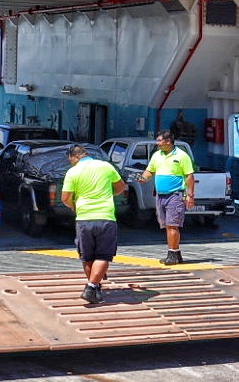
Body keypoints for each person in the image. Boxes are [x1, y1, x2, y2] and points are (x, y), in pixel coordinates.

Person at [61, 144, 126, 305]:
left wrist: (72, 205)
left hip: (84, 218)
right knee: (104, 255)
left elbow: (65, 198)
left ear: (73, 157)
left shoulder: (72, 172)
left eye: (70, 159)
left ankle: (93, 288)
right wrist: (108, 195)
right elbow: (120, 187)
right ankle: (92, 287)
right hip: (106, 216)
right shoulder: (105, 166)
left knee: (87, 256)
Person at [137, 129, 195, 265]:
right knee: (166, 225)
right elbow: (150, 170)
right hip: (161, 196)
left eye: (159, 141)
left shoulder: (182, 156)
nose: (157, 143)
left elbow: (189, 176)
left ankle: (172, 254)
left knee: (172, 225)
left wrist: (190, 195)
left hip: (175, 195)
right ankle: (176, 253)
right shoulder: (157, 155)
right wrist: (142, 178)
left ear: (168, 141)